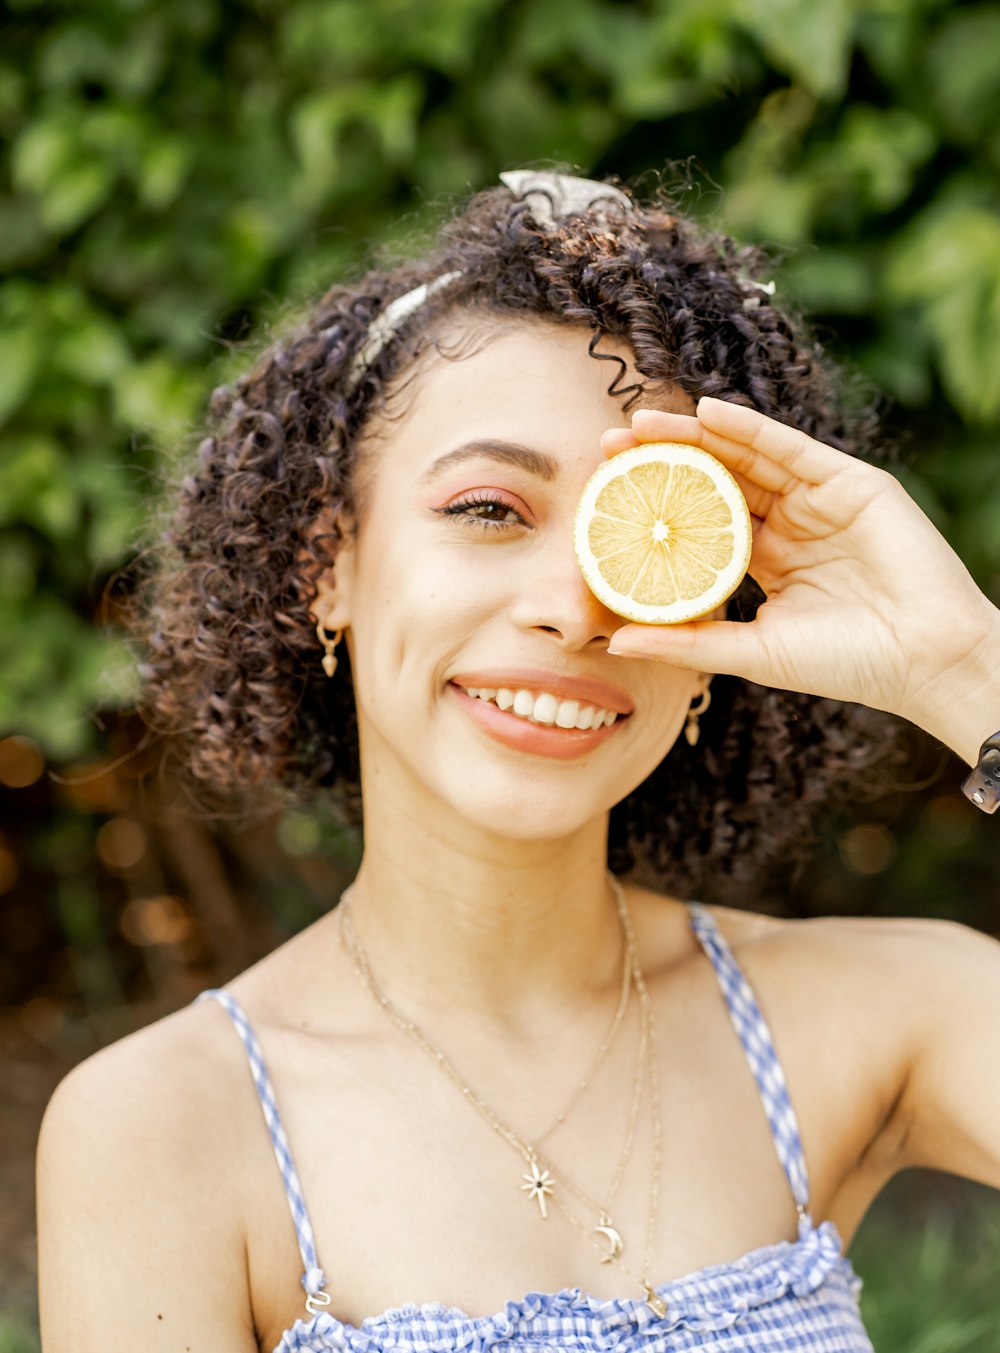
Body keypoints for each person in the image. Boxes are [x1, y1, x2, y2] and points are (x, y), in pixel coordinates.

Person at [36, 170, 1000, 1353]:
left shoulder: (882, 1017)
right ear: (324, 566)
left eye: (640, 535)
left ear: (715, 634)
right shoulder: (164, 1130)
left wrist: (964, 669)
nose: (572, 610)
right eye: (491, 509)